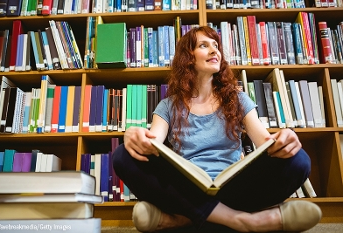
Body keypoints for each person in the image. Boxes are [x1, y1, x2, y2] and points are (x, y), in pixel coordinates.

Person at [112, 26, 322, 232]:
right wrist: (134, 136)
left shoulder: (238, 99)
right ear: (189, 58)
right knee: (123, 155)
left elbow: (265, 143)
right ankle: (245, 221)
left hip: (234, 186)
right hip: (187, 187)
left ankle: (181, 219)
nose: (215, 50)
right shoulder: (168, 105)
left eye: (216, 46)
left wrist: (286, 139)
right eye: (204, 45)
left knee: (299, 159)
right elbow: (153, 143)